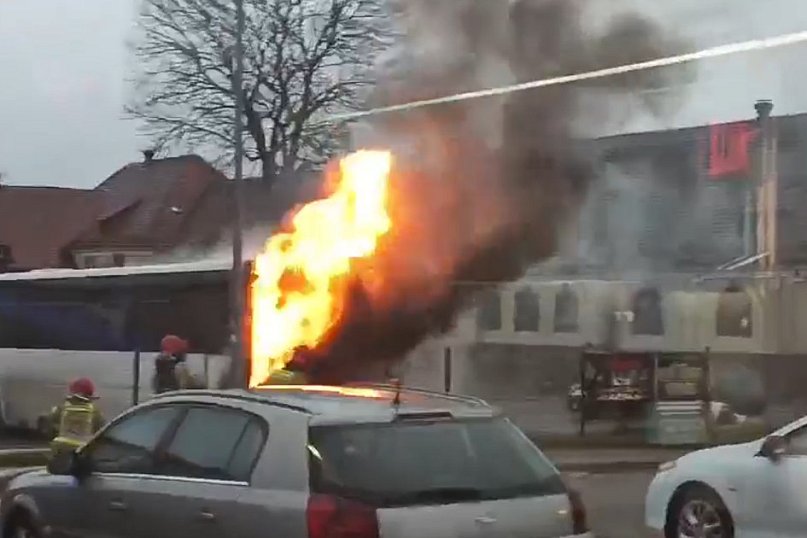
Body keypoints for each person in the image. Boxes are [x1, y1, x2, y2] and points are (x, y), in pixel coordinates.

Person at [48, 377, 105, 458]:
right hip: (82, 448)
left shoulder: (63, 407)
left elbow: (52, 420)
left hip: (61, 445)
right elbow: (100, 429)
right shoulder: (94, 411)